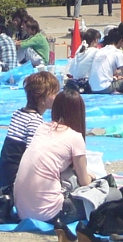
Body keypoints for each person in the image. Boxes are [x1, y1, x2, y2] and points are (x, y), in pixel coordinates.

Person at [14, 89, 92, 225]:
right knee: (104, 195)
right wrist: (93, 177)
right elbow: (85, 181)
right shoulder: (75, 137)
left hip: (22, 211)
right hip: (50, 213)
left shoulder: (42, 128)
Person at [0, 71, 60, 193]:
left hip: (5, 174)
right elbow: (32, 156)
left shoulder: (18, 113)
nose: (57, 96)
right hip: (16, 180)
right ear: (40, 98)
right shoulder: (35, 121)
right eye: (54, 93)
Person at [89, 26, 123, 93]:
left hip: (92, 88)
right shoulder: (117, 52)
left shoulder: (100, 50)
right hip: (105, 88)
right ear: (120, 41)